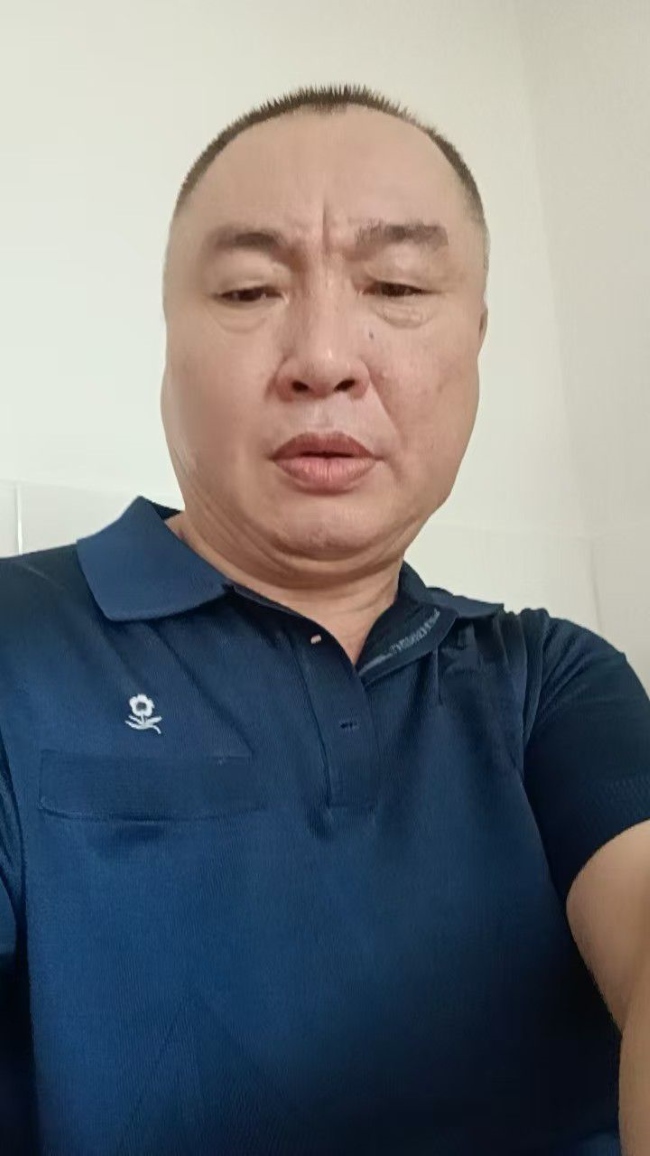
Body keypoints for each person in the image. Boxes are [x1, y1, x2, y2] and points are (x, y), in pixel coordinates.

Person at [0, 83, 648, 1156]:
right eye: (249, 290)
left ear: (475, 340)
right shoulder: (18, 639)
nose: (324, 358)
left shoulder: (550, 678)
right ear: (168, 341)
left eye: (396, 286)